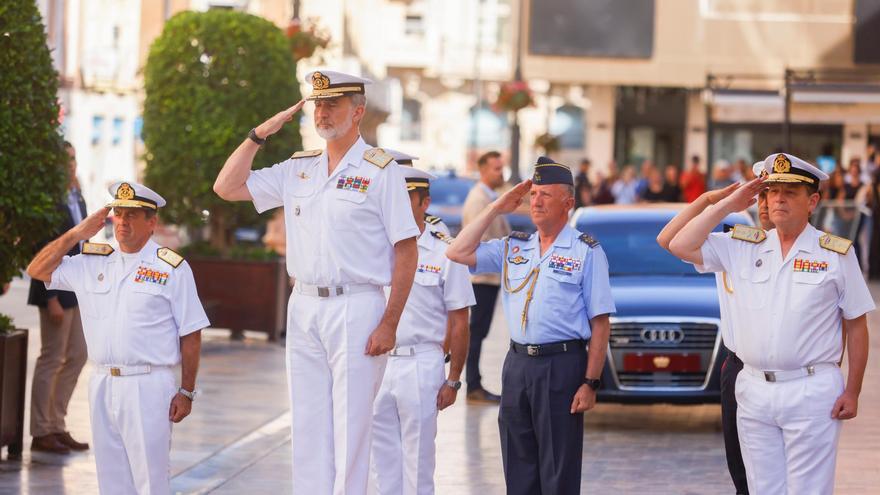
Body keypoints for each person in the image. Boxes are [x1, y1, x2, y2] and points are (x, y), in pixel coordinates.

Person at [213, 69, 420, 493]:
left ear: (357, 111)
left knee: (351, 426)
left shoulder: (382, 172)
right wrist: (260, 134)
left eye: (333, 104)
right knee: (307, 422)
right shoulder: (298, 168)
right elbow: (226, 187)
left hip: (357, 304)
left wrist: (390, 322)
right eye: (318, 104)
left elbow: (406, 249)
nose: (322, 112)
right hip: (304, 303)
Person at [668, 153, 874, 494]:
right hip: (753, 388)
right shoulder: (743, 245)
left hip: (810, 388)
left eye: (790, 192)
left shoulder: (834, 253)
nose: (778, 199)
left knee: (808, 489)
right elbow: (679, 244)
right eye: (772, 191)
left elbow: (856, 323)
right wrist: (725, 205)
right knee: (762, 488)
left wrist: (852, 391)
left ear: (813, 202)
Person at [26, 181, 208, 494]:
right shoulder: (92, 261)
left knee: (150, 480)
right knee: (110, 479)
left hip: (148, 384)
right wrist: (75, 235)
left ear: (152, 222)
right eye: (118, 213)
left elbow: (191, 333)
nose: (122, 221)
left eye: (132, 215)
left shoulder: (171, 268)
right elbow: (36, 270)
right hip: (101, 382)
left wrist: (186, 391)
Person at [447, 156, 615, 494]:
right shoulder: (514, 246)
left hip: (562, 365)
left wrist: (591, 382)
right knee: (517, 461)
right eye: (533, 194)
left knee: (557, 467)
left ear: (567, 203)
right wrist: (496, 207)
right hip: (518, 365)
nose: (535, 202)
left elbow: (600, 323)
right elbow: (457, 252)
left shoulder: (586, 251)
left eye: (545, 195)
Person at [657, 161, 773, 495]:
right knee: (740, 470)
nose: (766, 205)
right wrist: (709, 200)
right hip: (738, 367)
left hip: (780, 370)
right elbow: (667, 239)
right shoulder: (735, 243)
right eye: (761, 196)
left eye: (773, 195)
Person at [371, 166, 475, 495]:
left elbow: (460, 319)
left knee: (418, 461)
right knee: (379, 461)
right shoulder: (374, 245)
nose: (398, 206)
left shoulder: (447, 251)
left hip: (421, 362)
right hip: (377, 362)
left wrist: (454, 378)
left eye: (407, 198)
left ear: (424, 202)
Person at [27, 141, 89, 454]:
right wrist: (48, 297)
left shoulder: (76, 194)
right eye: (65, 160)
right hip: (54, 290)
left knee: (78, 355)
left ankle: (57, 423)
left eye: (73, 158)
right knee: (51, 358)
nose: (71, 165)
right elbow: (41, 250)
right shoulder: (48, 199)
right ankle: (41, 431)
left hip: (76, 289)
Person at [460, 150, 510, 403]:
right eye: (496, 169)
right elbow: (478, 241)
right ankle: (473, 385)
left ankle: (475, 383)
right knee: (476, 332)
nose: (501, 173)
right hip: (481, 278)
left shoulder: (490, 197)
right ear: (482, 170)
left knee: (480, 332)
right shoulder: (479, 200)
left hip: (489, 278)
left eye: (502, 168)